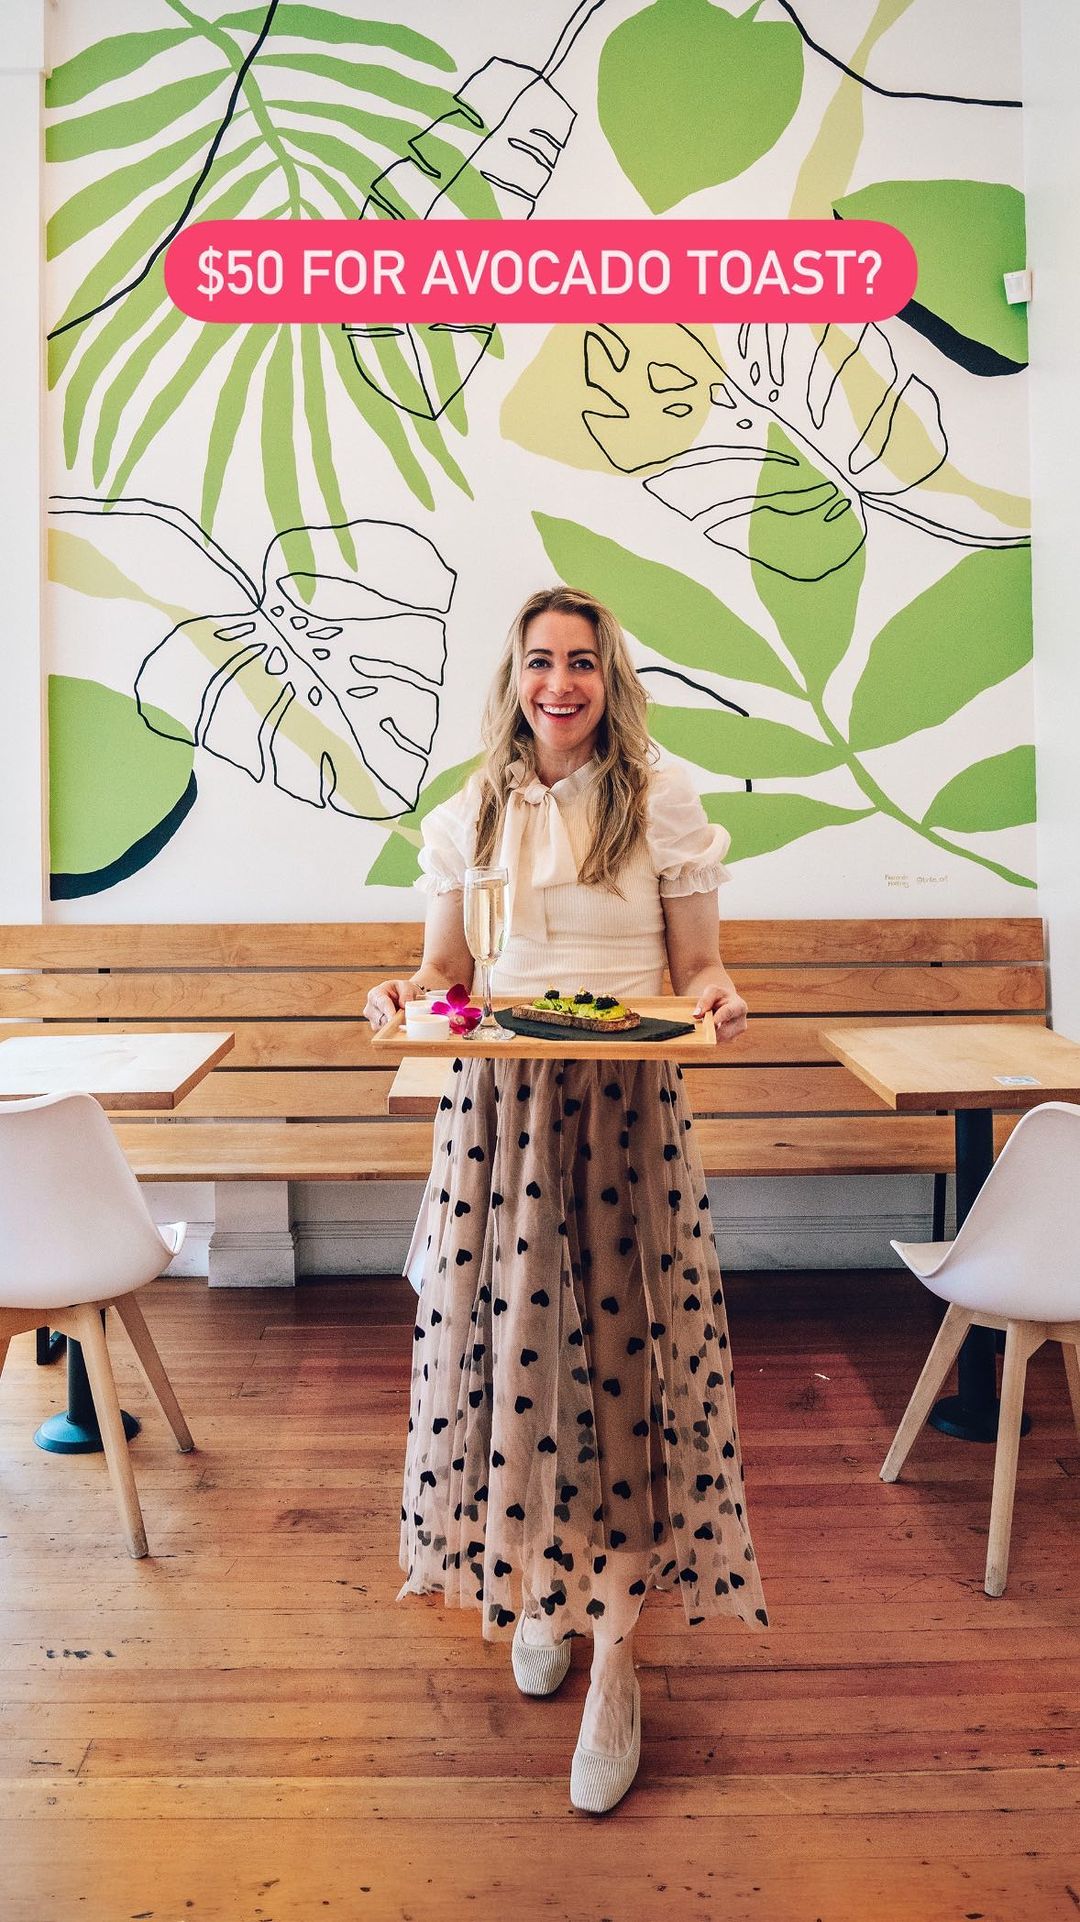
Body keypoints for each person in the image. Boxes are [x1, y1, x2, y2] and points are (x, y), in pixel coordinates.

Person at [365, 585, 767, 1814]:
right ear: (515, 678)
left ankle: (618, 1659)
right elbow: (448, 971)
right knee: (512, 1361)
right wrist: (404, 994)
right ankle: (545, 1585)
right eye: (540, 660)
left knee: (623, 1373)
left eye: (582, 661)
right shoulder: (472, 807)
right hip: (500, 1116)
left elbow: (699, 967)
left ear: (610, 676)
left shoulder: (661, 798)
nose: (561, 682)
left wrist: (720, 996)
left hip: (624, 1109)